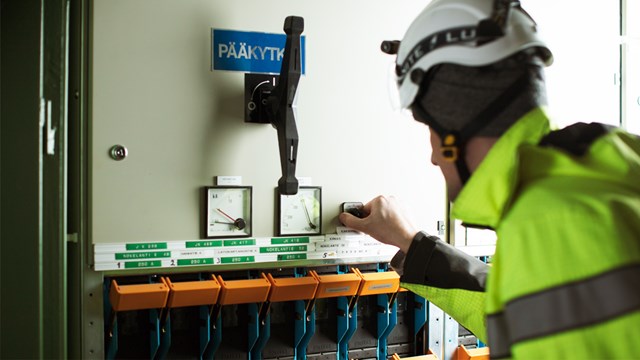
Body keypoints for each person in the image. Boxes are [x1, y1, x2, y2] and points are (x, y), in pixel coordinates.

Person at [339, 0, 640, 358]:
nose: (433, 157)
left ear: (456, 129)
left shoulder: (551, 220)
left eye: (431, 129)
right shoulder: (599, 177)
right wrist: (410, 242)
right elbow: (521, 313)